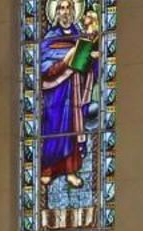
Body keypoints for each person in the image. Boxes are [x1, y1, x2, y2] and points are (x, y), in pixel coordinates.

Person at [39, 0, 103, 188]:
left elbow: (88, 69)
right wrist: (65, 62)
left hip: (75, 91)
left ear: (74, 12)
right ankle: (47, 170)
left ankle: (71, 171)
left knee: (74, 129)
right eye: (62, 8)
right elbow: (44, 66)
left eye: (69, 8)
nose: (65, 12)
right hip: (55, 94)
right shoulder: (51, 37)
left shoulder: (79, 36)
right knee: (53, 127)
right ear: (56, 13)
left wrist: (91, 59)